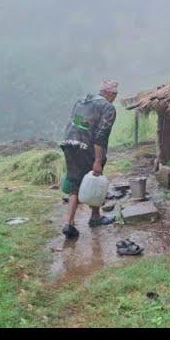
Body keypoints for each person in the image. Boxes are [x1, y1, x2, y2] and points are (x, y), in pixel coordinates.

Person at [59, 80, 119, 239]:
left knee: (75, 182)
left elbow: (77, 123)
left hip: (69, 144)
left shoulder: (82, 101)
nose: (115, 98)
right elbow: (101, 136)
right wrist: (98, 161)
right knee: (94, 178)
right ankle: (91, 218)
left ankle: (71, 223)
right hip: (87, 148)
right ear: (111, 94)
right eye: (115, 95)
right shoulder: (108, 108)